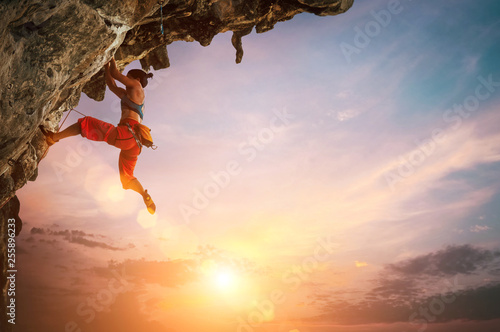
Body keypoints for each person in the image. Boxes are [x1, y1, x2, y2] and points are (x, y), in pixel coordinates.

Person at [40, 57, 156, 214]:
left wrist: (112, 56)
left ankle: (53, 138)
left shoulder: (136, 85)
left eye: (128, 77)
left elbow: (115, 74)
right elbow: (111, 84)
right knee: (127, 177)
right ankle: (144, 194)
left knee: (86, 123)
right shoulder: (133, 96)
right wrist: (106, 65)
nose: (126, 78)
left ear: (136, 79)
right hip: (135, 145)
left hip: (126, 135)